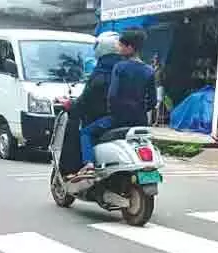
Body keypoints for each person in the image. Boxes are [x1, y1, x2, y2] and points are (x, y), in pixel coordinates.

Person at [75, 29, 156, 180]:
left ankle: (89, 164)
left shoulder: (120, 67)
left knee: (86, 132)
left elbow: (112, 95)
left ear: (130, 48)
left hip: (118, 119)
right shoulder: (149, 70)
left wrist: (114, 111)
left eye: (121, 45)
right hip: (140, 121)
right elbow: (152, 101)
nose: (118, 49)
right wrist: (139, 110)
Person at [64, 31, 123, 181]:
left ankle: (88, 164)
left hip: (107, 118)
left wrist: (71, 105)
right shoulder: (126, 68)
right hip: (133, 119)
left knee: (85, 132)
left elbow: (86, 99)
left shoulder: (101, 73)